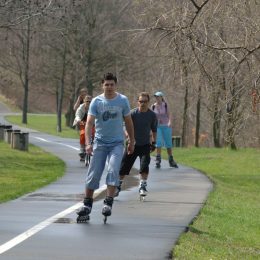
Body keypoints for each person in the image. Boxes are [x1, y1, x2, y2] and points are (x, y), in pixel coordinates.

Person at [76, 73, 135, 222]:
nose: (109, 87)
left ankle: (108, 202)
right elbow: (89, 124)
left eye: (112, 84)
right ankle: (87, 204)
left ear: (116, 85)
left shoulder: (122, 100)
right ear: (102, 86)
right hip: (100, 143)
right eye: (106, 84)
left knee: (113, 169)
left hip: (116, 143)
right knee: (93, 173)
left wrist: (132, 141)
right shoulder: (97, 101)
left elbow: (128, 122)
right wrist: (88, 143)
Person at [115, 92, 157, 198]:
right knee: (124, 166)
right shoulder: (132, 113)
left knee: (144, 165)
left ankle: (142, 186)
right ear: (137, 102)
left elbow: (154, 129)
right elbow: (125, 127)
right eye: (141, 101)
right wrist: (129, 138)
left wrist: (154, 142)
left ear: (148, 102)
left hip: (145, 145)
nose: (143, 103)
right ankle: (118, 186)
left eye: (145, 101)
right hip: (132, 144)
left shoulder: (152, 115)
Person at [152, 91, 178, 168]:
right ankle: (158, 159)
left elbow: (169, 114)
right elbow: (152, 117)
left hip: (166, 126)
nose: (157, 98)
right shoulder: (153, 106)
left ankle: (171, 160)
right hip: (157, 127)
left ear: (161, 97)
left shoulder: (165, 105)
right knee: (159, 143)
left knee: (168, 143)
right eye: (156, 97)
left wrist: (170, 122)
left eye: (158, 96)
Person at [73, 95, 93, 161]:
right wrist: (79, 120)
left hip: (92, 123)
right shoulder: (81, 108)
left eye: (90, 101)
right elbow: (78, 115)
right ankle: (82, 149)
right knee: (83, 134)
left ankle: (93, 147)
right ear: (84, 101)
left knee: (94, 133)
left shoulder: (94, 107)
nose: (88, 102)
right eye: (87, 101)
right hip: (83, 123)